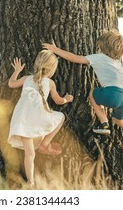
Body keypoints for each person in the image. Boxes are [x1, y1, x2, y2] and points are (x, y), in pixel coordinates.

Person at [42, 29, 123, 157]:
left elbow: (74, 58)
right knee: (120, 121)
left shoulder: (99, 57)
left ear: (101, 47)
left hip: (112, 93)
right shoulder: (117, 63)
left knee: (93, 93)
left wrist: (54, 49)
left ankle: (104, 123)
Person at [7, 50, 74, 188]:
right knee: (60, 117)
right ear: (52, 69)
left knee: (29, 153)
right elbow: (58, 101)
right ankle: (45, 143)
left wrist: (17, 71)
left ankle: (30, 181)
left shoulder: (26, 78)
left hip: (23, 118)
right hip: (38, 116)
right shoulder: (50, 83)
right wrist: (66, 99)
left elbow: (11, 84)